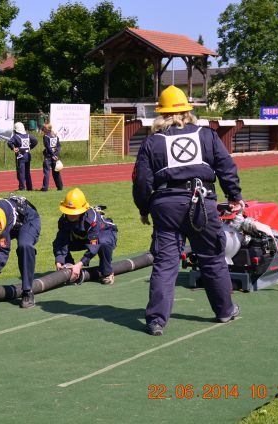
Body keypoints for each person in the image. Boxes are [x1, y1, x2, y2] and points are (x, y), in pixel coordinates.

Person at [132, 85, 243, 336]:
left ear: (161, 114)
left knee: (165, 263)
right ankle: (225, 310)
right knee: (213, 258)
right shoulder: (207, 135)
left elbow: (141, 181)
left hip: (165, 205)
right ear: (187, 111)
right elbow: (226, 167)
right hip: (202, 202)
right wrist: (234, 196)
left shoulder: (152, 142)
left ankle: (157, 320)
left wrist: (143, 208)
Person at [0, 195, 41, 308]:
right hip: (12, 220)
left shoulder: (0, 221)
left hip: (27, 219)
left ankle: (28, 291)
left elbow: (2, 252)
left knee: (25, 245)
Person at [53, 188, 118, 285]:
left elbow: (93, 247)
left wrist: (80, 265)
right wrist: (59, 260)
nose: (70, 216)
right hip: (84, 238)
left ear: (82, 211)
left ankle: (107, 272)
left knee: (103, 243)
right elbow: (61, 241)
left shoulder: (92, 220)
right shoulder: (63, 219)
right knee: (58, 243)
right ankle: (69, 268)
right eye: (68, 212)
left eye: (74, 213)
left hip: (104, 233)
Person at [8, 122, 38, 191]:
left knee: (21, 172)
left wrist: (13, 148)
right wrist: (29, 147)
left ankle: (22, 188)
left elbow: (9, 142)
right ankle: (29, 187)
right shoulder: (28, 135)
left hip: (20, 156)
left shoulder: (16, 136)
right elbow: (35, 141)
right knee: (27, 172)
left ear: (16, 130)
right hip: (28, 155)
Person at [41, 123, 63, 191]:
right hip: (55, 156)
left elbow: (48, 147)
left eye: (43, 128)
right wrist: (56, 154)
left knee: (46, 172)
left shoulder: (46, 136)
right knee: (56, 172)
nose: (42, 129)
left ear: (46, 129)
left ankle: (45, 188)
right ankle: (60, 187)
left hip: (48, 156)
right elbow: (59, 146)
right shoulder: (55, 135)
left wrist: (53, 155)